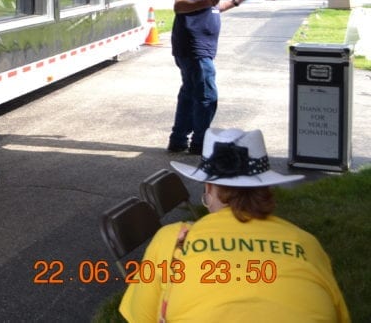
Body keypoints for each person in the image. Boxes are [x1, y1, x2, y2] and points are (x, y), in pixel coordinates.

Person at [120, 127, 350, 322]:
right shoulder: (307, 245)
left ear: (208, 189)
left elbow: (141, 317)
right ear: (265, 187)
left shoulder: (173, 241)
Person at [167, 0, 250, 156]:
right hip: (195, 50)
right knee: (207, 96)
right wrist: (205, 2)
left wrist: (235, 2)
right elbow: (179, 5)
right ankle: (200, 143)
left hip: (196, 50)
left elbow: (213, 7)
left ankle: (178, 140)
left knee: (189, 93)